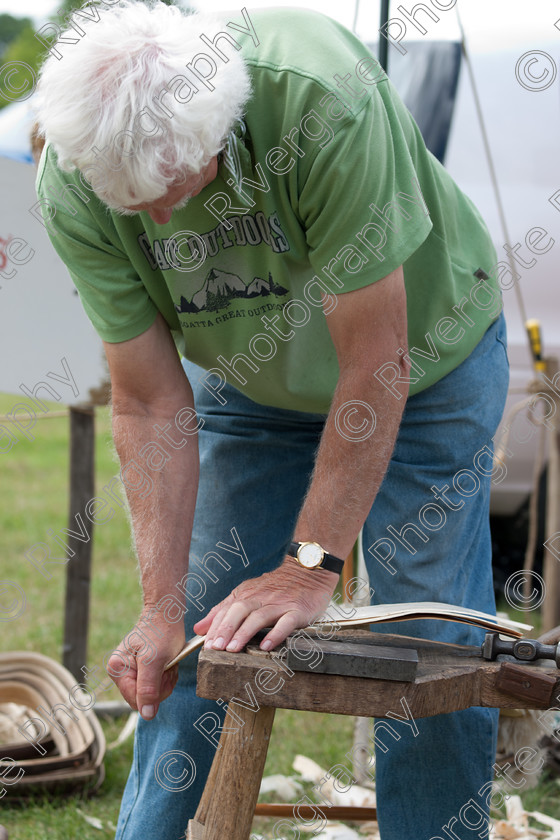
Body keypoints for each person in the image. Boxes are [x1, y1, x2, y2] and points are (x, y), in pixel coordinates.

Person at [34, 2, 509, 838]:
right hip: (251, 385)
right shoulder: (73, 174)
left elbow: (376, 363)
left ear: (219, 133)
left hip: (426, 363)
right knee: (196, 645)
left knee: (427, 651)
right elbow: (149, 400)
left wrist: (307, 567)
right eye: (130, 205)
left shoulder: (322, 100)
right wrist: (158, 607)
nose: (157, 225)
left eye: (173, 195)